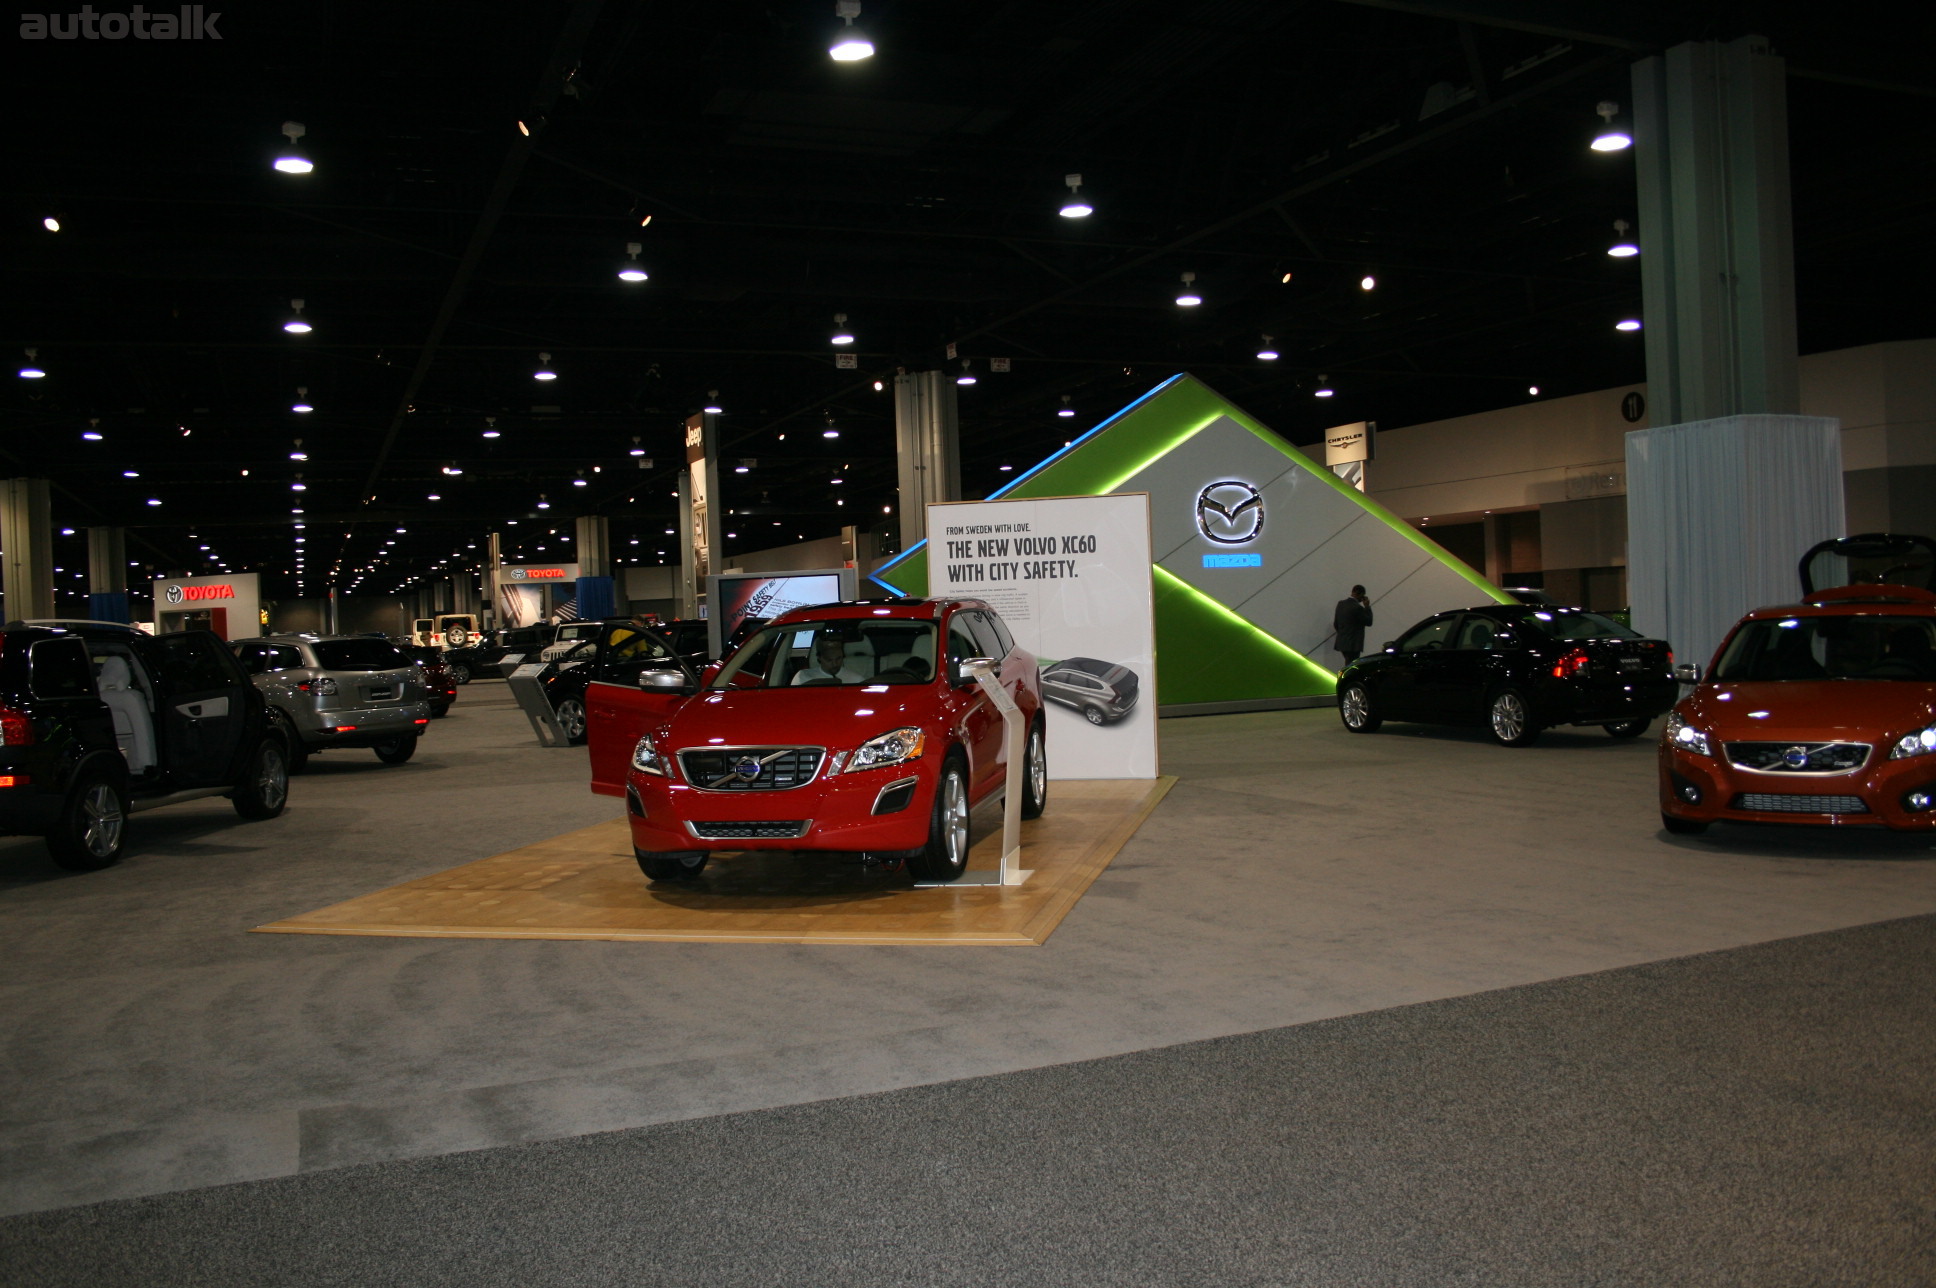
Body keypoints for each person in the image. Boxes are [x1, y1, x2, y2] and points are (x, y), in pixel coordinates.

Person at [792, 637, 864, 685]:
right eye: (829, 660)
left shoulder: (857, 680)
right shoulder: (803, 677)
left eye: (838, 659)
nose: (835, 664)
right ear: (819, 657)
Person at [1333, 585, 1373, 666]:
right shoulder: (1357, 608)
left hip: (1342, 642)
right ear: (1361, 595)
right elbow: (1369, 622)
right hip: (1353, 644)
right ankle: (1345, 678)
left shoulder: (1341, 604)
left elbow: (1336, 624)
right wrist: (1367, 606)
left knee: (1348, 664)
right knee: (1351, 666)